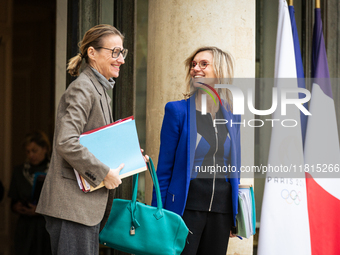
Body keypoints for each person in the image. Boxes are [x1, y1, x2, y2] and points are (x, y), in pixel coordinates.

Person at [36, 24, 141, 255]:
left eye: (122, 52)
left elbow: (95, 142)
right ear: (92, 53)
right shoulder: (83, 88)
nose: (121, 59)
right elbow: (66, 142)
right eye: (114, 52)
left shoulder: (99, 89)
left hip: (81, 208)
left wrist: (130, 156)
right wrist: (104, 173)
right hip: (72, 208)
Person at [152, 46, 241, 255]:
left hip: (221, 212)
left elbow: (233, 167)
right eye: (193, 65)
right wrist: (160, 213)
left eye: (204, 64)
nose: (196, 69)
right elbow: (164, 168)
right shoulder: (177, 111)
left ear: (220, 71)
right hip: (185, 210)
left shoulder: (232, 116)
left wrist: (235, 213)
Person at [8, 130, 52, 255]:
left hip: (45, 226)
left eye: (34, 150)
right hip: (25, 227)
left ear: (44, 148)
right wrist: (17, 207)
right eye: (28, 151)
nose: (31, 155)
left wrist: (40, 209)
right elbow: (13, 202)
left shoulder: (53, 172)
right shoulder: (19, 171)